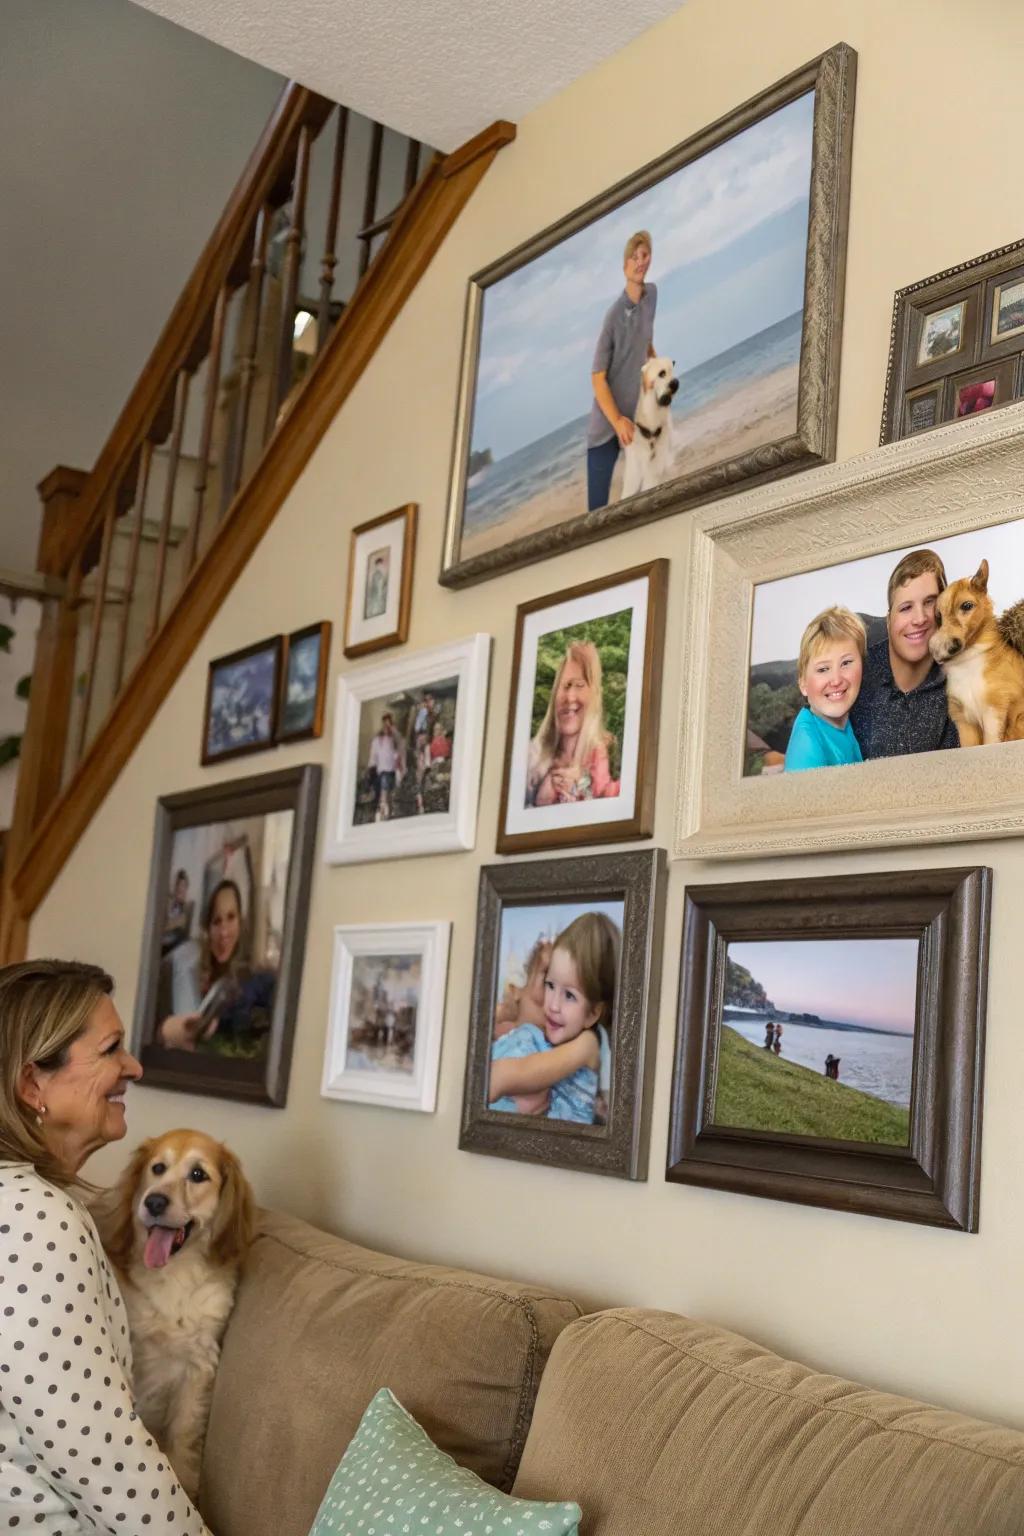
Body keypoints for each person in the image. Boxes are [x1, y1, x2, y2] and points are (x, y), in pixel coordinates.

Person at [0, 958, 212, 1534]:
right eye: (112, 1048)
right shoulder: (35, 1218)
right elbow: (106, 1463)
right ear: (32, 1085)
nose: (134, 1066)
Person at [488, 912, 618, 1124]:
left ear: (593, 1013)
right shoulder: (542, 1036)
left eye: (569, 995)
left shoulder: (587, 1045)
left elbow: (500, 1078)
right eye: (550, 985)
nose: (553, 1005)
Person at [849, 548, 960, 759]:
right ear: (889, 620)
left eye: (930, 602)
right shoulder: (856, 673)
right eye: (906, 608)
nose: (919, 619)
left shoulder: (961, 679)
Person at [157, 879, 275, 1056]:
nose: (224, 932)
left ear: (240, 921)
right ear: (206, 927)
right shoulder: (188, 960)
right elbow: (188, 1039)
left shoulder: (241, 974)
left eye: (231, 917)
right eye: (216, 921)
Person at [587, 230, 659, 511]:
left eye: (644, 255)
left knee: (644, 495)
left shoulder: (652, 296)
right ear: (624, 265)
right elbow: (597, 378)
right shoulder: (613, 316)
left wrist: (655, 372)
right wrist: (617, 421)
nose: (639, 262)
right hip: (607, 427)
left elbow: (646, 340)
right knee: (597, 512)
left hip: (637, 416)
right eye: (633, 257)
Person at [526, 641, 620, 806]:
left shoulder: (603, 752)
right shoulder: (532, 757)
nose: (570, 697)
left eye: (579, 685)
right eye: (566, 685)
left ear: (594, 695)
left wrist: (582, 787)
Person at [784, 606, 867, 772]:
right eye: (823, 669)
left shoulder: (850, 723)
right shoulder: (807, 747)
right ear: (803, 684)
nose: (836, 680)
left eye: (846, 663)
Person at [367, 711, 404, 820]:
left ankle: (388, 814)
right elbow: (373, 756)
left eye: (389, 724)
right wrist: (371, 768)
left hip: (393, 771)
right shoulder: (377, 740)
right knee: (383, 793)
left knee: (390, 795)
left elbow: (400, 748)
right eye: (385, 723)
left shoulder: (395, 739)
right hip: (382, 771)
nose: (387, 726)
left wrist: (393, 730)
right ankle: (382, 813)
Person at [161, 868, 193, 954]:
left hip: (174, 946)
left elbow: (182, 924)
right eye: (179, 885)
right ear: (175, 887)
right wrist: (176, 922)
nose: (181, 889)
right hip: (163, 944)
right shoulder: (168, 902)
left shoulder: (184, 908)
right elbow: (162, 927)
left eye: (184, 887)